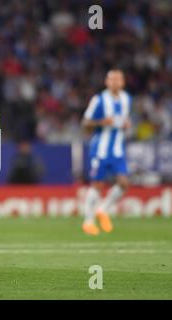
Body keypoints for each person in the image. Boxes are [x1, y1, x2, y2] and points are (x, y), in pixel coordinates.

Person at [82, 69, 132, 235]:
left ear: (123, 82)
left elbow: (123, 121)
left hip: (117, 149)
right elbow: (85, 123)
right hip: (100, 149)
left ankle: (102, 210)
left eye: (118, 79)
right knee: (97, 184)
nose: (115, 82)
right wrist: (102, 122)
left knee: (124, 183)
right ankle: (88, 221)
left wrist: (126, 124)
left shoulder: (127, 99)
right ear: (106, 82)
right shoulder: (99, 100)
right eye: (112, 79)